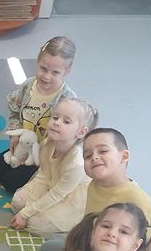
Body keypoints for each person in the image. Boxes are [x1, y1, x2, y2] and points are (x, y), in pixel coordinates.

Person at [38, 127, 151, 251]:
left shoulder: (136, 197)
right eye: (87, 155)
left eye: (103, 151)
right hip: (92, 246)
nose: (94, 157)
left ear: (124, 156)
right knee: (48, 249)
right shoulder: (93, 185)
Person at [0, 36, 77, 193]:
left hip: (42, 155)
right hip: (23, 144)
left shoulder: (67, 100)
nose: (47, 76)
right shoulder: (28, 86)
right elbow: (15, 111)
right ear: (38, 61)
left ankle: (37, 174)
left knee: (9, 184)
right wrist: (15, 135)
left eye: (55, 72)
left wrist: (43, 156)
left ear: (67, 71)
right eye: (43, 69)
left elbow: (67, 137)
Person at [10, 94, 98, 234]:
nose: (57, 123)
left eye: (66, 122)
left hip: (70, 197)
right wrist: (28, 209)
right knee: (18, 202)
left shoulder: (76, 163)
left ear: (81, 132)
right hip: (52, 183)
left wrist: (26, 214)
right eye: (55, 117)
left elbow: (57, 194)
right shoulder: (48, 143)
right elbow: (42, 176)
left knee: (35, 223)